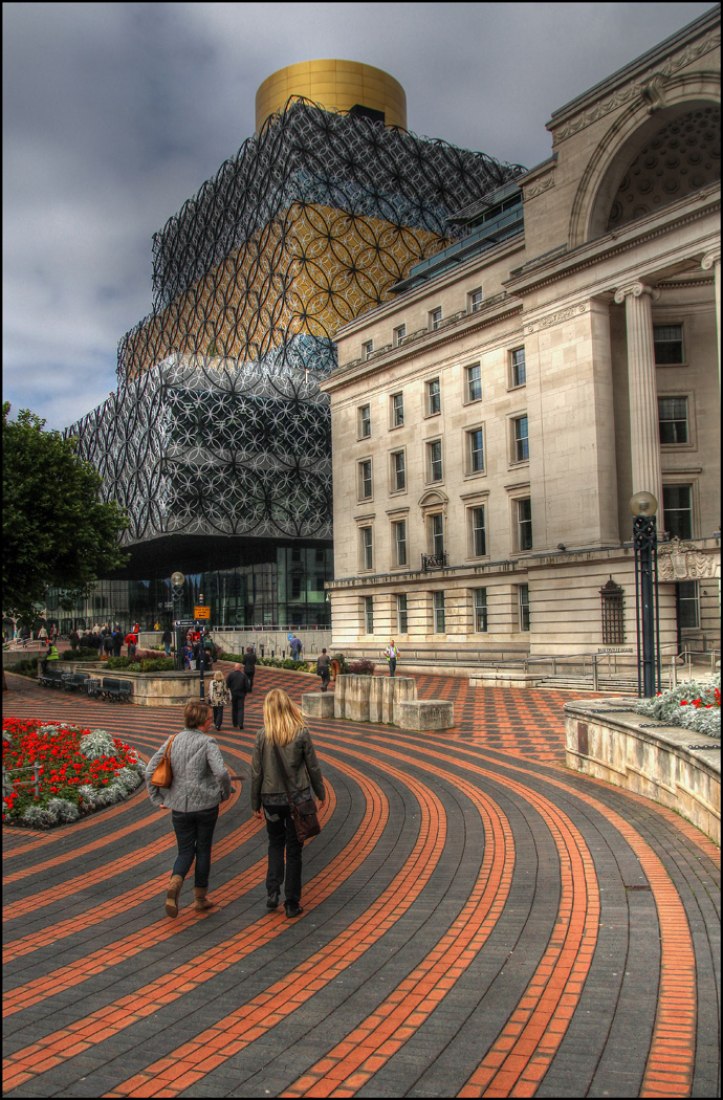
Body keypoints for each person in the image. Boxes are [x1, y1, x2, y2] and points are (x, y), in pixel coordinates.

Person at [145, 700, 235, 918]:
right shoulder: (208, 742)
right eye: (210, 719)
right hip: (206, 805)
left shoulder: (172, 740)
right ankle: (200, 898)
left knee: (185, 850)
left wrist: (157, 798)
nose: (212, 723)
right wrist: (224, 793)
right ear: (202, 721)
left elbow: (149, 771)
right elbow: (221, 774)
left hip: (179, 807)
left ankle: (176, 880)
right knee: (203, 849)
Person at [250, 688, 325, 919]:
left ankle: (272, 891)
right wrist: (320, 793)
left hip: (271, 800)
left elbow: (256, 772)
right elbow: (313, 766)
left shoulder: (262, 735)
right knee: (294, 850)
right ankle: (292, 902)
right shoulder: (301, 733)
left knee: (275, 844)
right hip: (298, 800)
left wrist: (255, 804)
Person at [226, 663, 251, 729]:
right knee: (241, 708)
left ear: (235, 668)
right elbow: (247, 686)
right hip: (241, 694)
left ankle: (235, 723)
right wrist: (245, 692)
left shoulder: (231, 675)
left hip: (233, 693)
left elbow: (227, 684)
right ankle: (240, 724)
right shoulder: (244, 675)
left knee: (234, 708)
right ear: (240, 668)